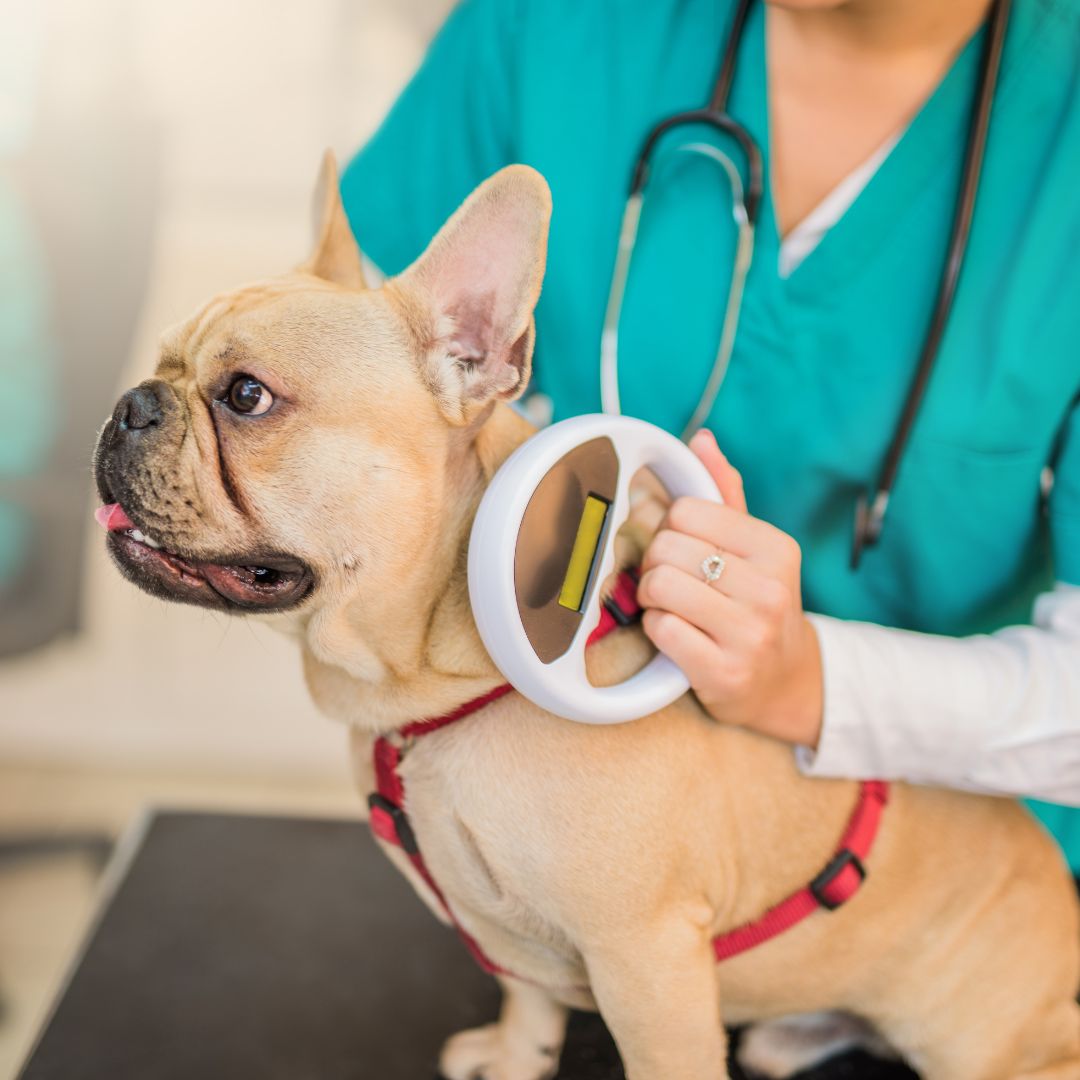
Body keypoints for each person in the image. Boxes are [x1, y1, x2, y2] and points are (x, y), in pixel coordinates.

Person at [340, 0, 1080, 868]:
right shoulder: (552, 27)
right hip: (564, 825)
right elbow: (360, 394)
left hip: (951, 884)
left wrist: (804, 680)